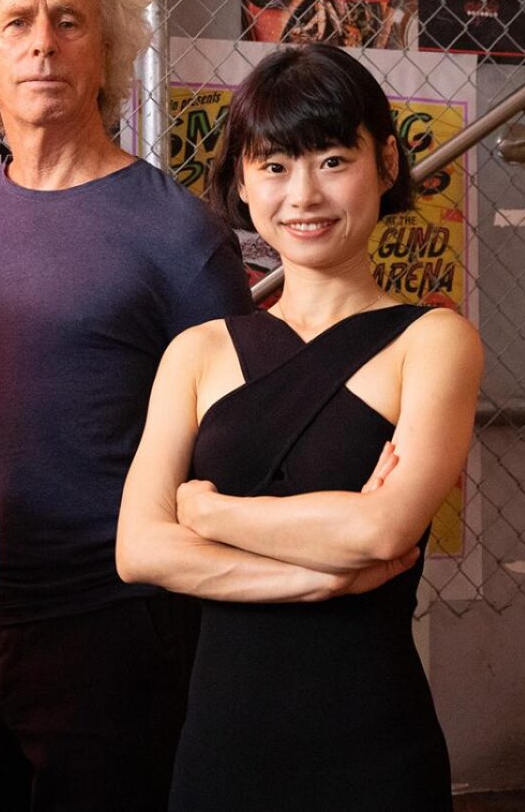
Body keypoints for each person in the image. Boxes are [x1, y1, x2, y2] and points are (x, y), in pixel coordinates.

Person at [0, 0, 254, 811]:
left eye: (70, 22)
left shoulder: (177, 232)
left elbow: (234, 442)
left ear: (106, 51)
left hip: (118, 623)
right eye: (17, 23)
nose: (43, 45)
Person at [116, 44, 484, 811]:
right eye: (276, 165)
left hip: (373, 746)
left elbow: (384, 531)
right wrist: (315, 574)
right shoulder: (198, 351)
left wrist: (211, 514)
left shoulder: (435, 340)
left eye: (332, 158)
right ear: (243, 183)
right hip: (221, 744)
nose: (304, 193)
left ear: (385, 163)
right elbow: (138, 548)